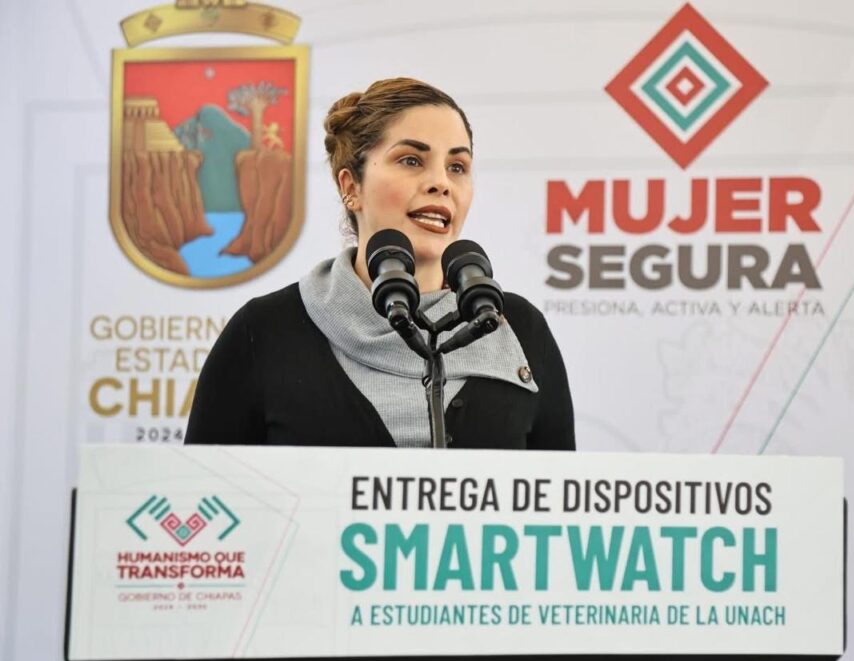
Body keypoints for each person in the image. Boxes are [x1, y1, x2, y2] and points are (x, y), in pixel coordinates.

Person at [184, 77, 575, 450]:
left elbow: (560, 494)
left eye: (457, 167)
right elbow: (201, 489)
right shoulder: (264, 332)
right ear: (351, 186)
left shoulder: (521, 329)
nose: (441, 183)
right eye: (411, 160)